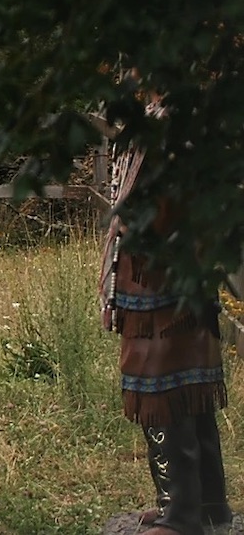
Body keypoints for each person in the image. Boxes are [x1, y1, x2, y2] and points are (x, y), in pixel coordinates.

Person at [101, 123, 232, 534]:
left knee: (164, 384)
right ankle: (203, 505)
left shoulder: (173, 124)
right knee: (185, 386)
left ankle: (182, 517)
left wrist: (134, 226)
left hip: (166, 277)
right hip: (167, 277)